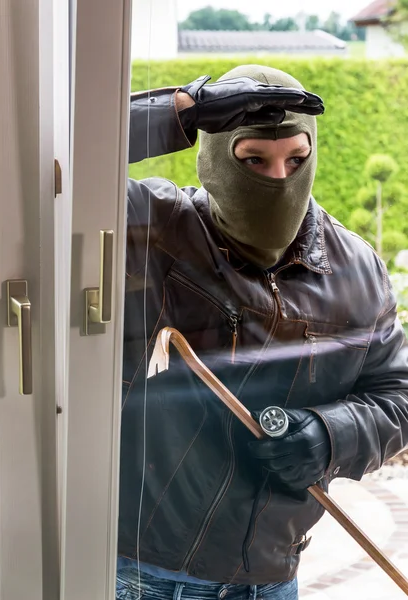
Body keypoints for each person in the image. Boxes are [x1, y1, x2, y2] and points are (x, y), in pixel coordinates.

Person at [117, 65, 408, 600]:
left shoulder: (356, 270)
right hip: (142, 574)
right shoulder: (152, 227)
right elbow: (59, 160)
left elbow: (399, 394)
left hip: (273, 579)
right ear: (213, 156)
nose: (278, 181)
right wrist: (183, 109)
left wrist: (329, 435)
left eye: (296, 160)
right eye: (252, 160)